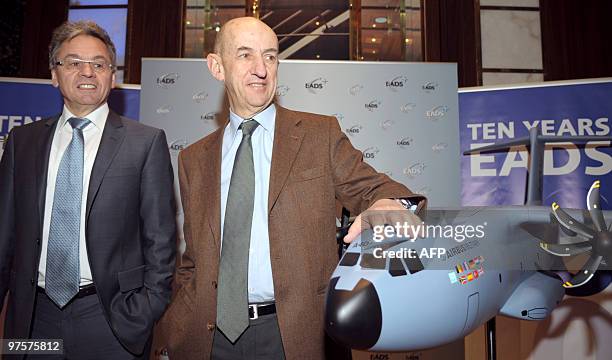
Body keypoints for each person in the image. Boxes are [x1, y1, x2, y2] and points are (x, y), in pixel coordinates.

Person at [160, 17, 425, 360]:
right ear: (217, 66)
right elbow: (193, 260)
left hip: (298, 338)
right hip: (208, 340)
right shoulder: (193, 159)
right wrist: (175, 329)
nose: (261, 69)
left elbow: (376, 188)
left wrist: (387, 203)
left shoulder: (319, 135)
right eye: (245, 55)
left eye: (270, 57)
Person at [0, 21, 176, 359]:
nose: (88, 72)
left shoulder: (145, 143)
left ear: (112, 77)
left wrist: (142, 312)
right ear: (54, 73)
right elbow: (4, 235)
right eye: (74, 62)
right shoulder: (23, 142)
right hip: (33, 320)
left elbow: (161, 241)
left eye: (99, 64)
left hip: (111, 322)